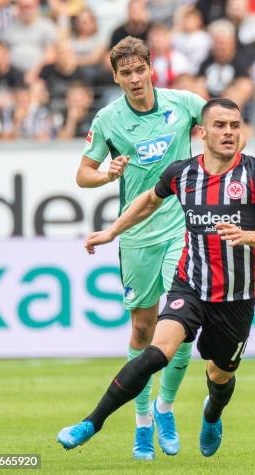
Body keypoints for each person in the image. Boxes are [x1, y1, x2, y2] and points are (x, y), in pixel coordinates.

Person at [57, 97, 255, 458]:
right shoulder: (182, 173)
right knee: (156, 352)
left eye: (234, 126)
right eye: (220, 125)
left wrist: (248, 236)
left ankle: (211, 414)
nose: (228, 132)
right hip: (191, 286)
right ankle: (91, 423)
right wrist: (111, 232)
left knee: (220, 375)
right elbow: (148, 201)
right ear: (202, 132)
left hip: (236, 297)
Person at [74, 35, 207, 461]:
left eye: (139, 70)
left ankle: (166, 408)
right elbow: (83, 175)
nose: (134, 79)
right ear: (115, 77)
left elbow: (224, 121)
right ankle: (143, 421)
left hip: (180, 227)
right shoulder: (109, 120)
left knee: (184, 320)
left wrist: (220, 138)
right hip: (136, 236)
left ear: (153, 67)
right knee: (143, 329)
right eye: (125, 73)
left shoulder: (184, 103)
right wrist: (108, 173)